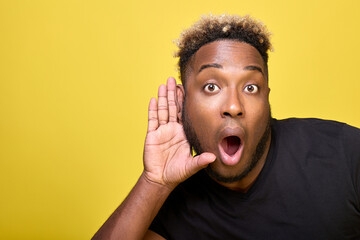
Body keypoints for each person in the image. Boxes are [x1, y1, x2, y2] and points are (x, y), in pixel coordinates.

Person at [93, 14, 360, 239]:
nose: (233, 105)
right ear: (183, 104)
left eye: (250, 87)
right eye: (211, 87)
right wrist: (154, 183)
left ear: (266, 98)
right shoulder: (170, 206)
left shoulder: (345, 153)